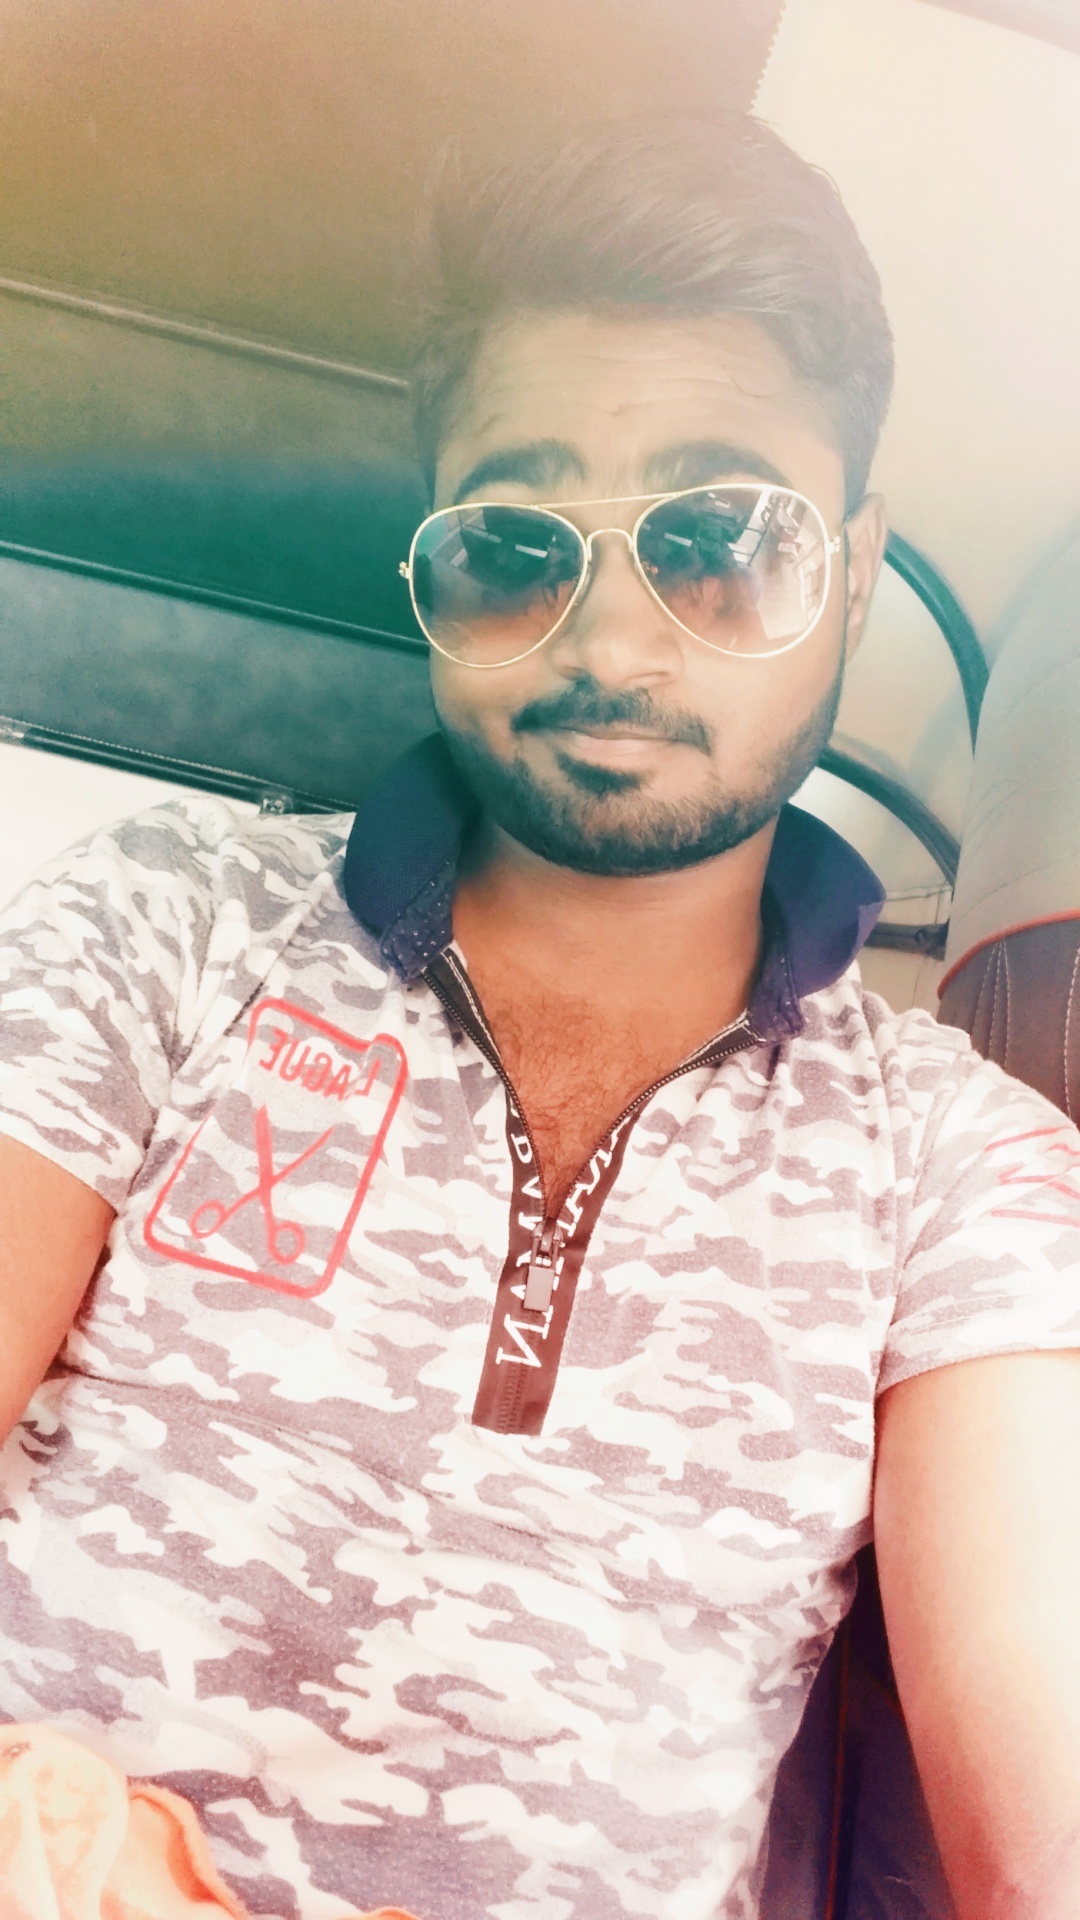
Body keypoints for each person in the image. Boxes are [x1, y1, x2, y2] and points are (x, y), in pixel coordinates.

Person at [0, 113, 1079, 1920]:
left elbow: (1047, 1836)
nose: (612, 645)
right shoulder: (171, 919)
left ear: (852, 565)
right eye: (515, 545)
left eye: (719, 541)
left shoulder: (954, 1165)